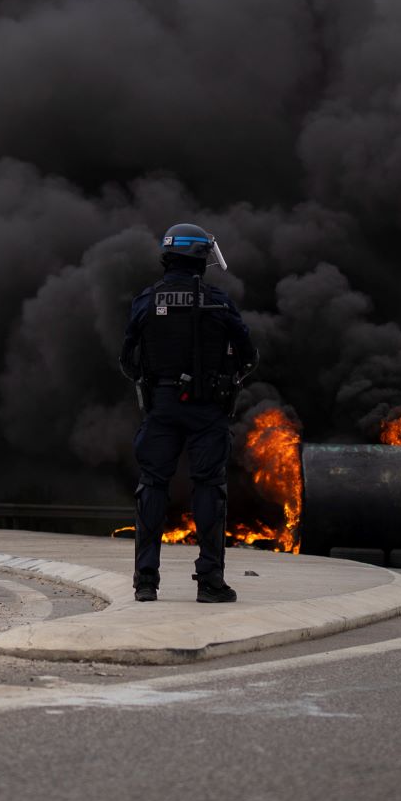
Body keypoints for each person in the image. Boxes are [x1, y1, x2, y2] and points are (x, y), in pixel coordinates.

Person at [119, 223, 255, 604]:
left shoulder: (147, 301)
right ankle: (210, 582)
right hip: (207, 411)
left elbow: (127, 360)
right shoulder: (217, 301)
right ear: (200, 257)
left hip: (161, 409)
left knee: (151, 487)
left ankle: (146, 581)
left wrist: (155, 386)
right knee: (209, 489)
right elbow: (249, 356)